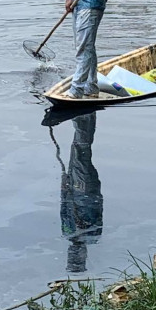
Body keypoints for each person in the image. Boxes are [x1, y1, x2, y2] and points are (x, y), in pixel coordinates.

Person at [59, 113, 103, 274]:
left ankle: (83, 117)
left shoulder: (68, 233)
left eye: (72, 257)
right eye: (76, 258)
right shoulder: (92, 235)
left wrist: (63, 189)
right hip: (85, 191)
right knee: (81, 152)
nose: (74, 253)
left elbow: (63, 210)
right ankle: (85, 116)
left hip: (77, 189)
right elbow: (98, 211)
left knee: (79, 151)